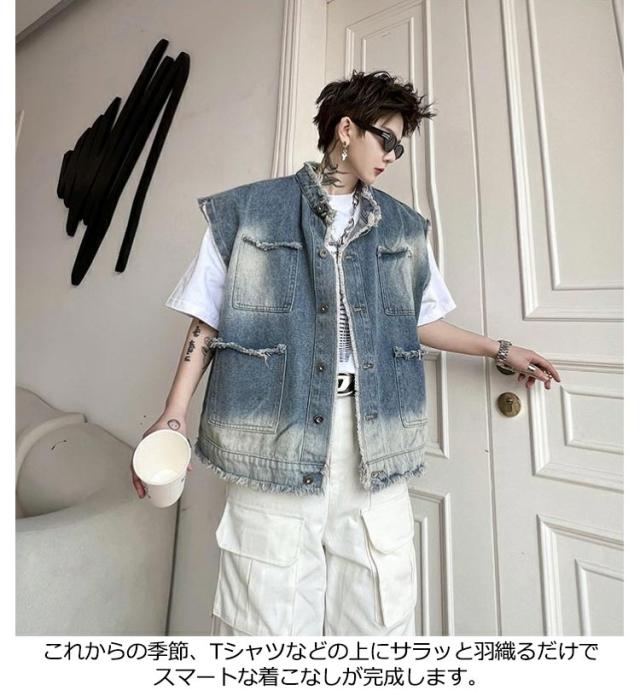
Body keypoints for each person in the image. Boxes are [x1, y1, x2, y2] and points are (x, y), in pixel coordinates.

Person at [131, 70, 561, 636]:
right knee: (266, 623)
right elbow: (207, 317)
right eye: (386, 138)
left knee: (379, 619)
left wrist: (501, 350)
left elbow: (421, 320)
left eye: (400, 145)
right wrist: (174, 411)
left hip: (374, 437)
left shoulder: (403, 227)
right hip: (277, 435)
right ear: (345, 129)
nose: (393, 155)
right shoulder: (248, 211)